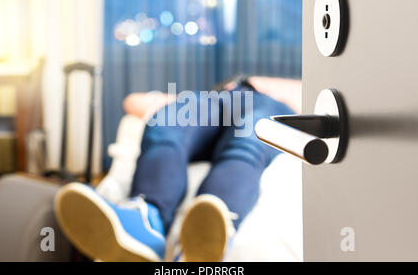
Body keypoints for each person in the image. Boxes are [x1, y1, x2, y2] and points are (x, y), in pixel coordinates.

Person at [54, 76, 301, 262]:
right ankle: (145, 224)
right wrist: (168, 104)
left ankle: (206, 236)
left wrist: (261, 86)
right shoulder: (204, 99)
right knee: (166, 126)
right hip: (213, 104)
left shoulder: (280, 97)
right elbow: (132, 103)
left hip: (267, 107)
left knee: (249, 140)